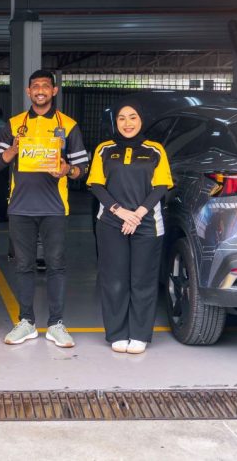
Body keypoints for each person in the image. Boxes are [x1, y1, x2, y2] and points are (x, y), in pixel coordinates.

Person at [0, 70, 89, 347]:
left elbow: (83, 168)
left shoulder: (68, 125)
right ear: (28, 91)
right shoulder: (14, 125)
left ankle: (56, 324)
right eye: (36, 86)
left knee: (56, 265)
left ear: (54, 91)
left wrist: (68, 170)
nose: (41, 90)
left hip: (54, 208)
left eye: (46, 86)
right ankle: (26, 322)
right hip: (20, 207)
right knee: (23, 266)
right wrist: (13, 150)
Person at [86, 103, 173, 354]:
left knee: (143, 281)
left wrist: (137, 214)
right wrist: (120, 211)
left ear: (141, 120)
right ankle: (116, 333)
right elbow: (96, 185)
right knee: (114, 280)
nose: (127, 123)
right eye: (122, 118)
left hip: (147, 223)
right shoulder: (104, 149)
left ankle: (139, 335)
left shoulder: (154, 150)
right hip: (111, 222)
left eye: (133, 117)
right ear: (116, 122)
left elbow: (161, 186)